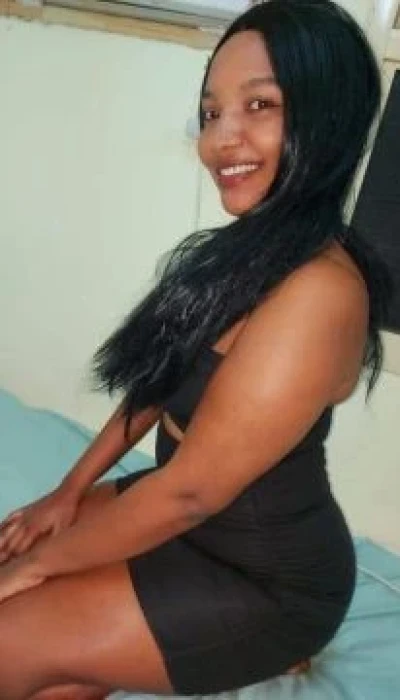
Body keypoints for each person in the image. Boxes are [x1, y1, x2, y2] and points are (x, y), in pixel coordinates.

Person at [0, 1, 392, 698]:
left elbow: (189, 493)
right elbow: (158, 383)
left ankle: (270, 648)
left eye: (259, 105)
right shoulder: (249, 249)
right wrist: (69, 491)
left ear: (327, 115)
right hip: (188, 522)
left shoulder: (320, 292)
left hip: (267, 582)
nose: (220, 140)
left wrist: (42, 570)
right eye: (212, 113)